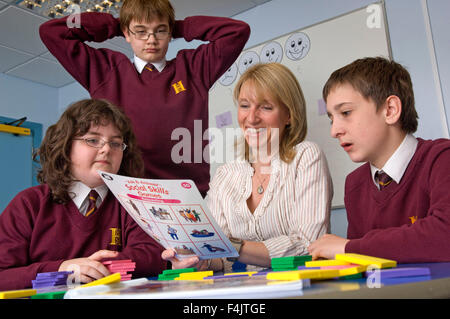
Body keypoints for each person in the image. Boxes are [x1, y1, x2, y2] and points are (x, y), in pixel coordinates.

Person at [39, 0, 250, 198]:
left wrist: (179, 27)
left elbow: (237, 32)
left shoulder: (193, 69)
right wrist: (114, 25)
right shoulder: (105, 71)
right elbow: (52, 32)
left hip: (186, 194)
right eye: (140, 32)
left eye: (160, 31)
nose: (151, 40)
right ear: (127, 34)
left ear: (169, 33)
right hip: (125, 193)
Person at [163, 63, 333, 272]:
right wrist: (199, 259)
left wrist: (232, 246)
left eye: (266, 107)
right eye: (244, 105)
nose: (251, 118)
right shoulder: (225, 174)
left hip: (302, 289)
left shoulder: (306, 156)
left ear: (289, 115)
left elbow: (309, 245)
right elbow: (223, 260)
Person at [0, 99, 166, 291]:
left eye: (115, 143)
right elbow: (3, 276)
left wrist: (95, 267)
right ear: (65, 146)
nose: (106, 149)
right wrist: (63, 270)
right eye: (93, 140)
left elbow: (152, 257)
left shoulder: (132, 202)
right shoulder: (28, 204)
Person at [308, 57, 450, 263]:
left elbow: (444, 236)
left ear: (390, 110)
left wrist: (348, 247)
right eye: (331, 118)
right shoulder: (354, 184)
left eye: (346, 112)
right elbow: (362, 264)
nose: (334, 131)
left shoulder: (441, 159)